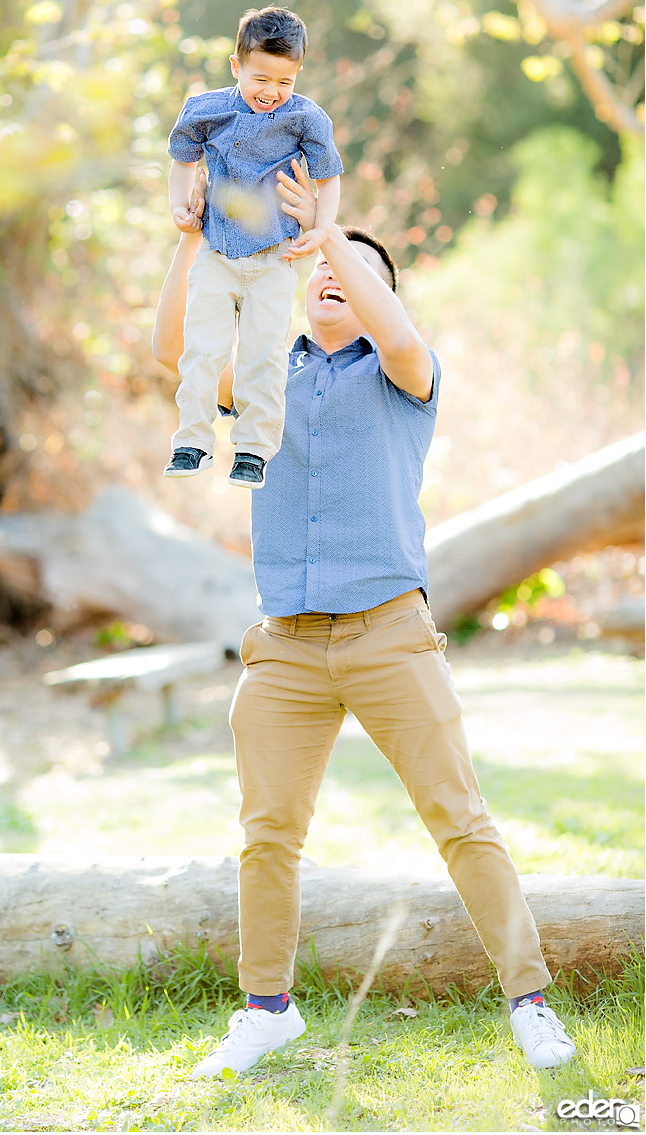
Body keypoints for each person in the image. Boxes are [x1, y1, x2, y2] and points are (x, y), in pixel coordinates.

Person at [152, 161, 577, 1078]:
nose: (329, 282)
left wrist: (331, 232)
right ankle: (267, 1009)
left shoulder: (403, 374)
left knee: (460, 819)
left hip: (389, 632)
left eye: (353, 276)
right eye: (317, 276)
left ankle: (530, 1002)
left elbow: (398, 331)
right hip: (287, 650)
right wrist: (190, 238)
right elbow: (170, 347)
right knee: (267, 834)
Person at [165, 5, 342, 490]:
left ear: (298, 75)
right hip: (217, 253)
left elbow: (329, 179)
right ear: (236, 66)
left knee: (263, 355)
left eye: (285, 82)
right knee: (202, 348)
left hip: (274, 258)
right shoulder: (206, 110)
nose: (272, 93)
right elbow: (182, 161)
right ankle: (192, 440)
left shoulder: (306, 117)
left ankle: (253, 449)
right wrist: (180, 207)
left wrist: (322, 229)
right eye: (261, 78)